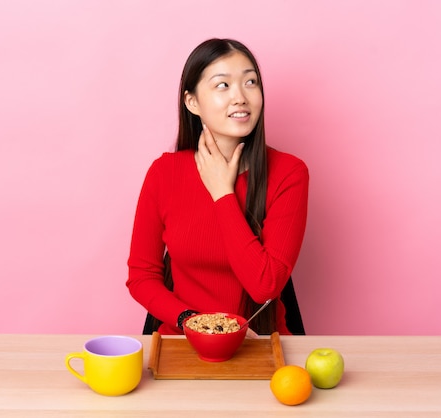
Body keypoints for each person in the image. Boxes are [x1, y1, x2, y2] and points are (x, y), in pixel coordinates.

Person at [126, 38, 309, 336]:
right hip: (181, 342)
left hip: (261, 347)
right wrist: (193, 323)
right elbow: (142, 276)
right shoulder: (165, 173)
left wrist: (223, 193)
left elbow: (265, 285)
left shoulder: (289, 173)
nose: (240, 97)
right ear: (192, 102)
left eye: (251, 82)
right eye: (223, 85)